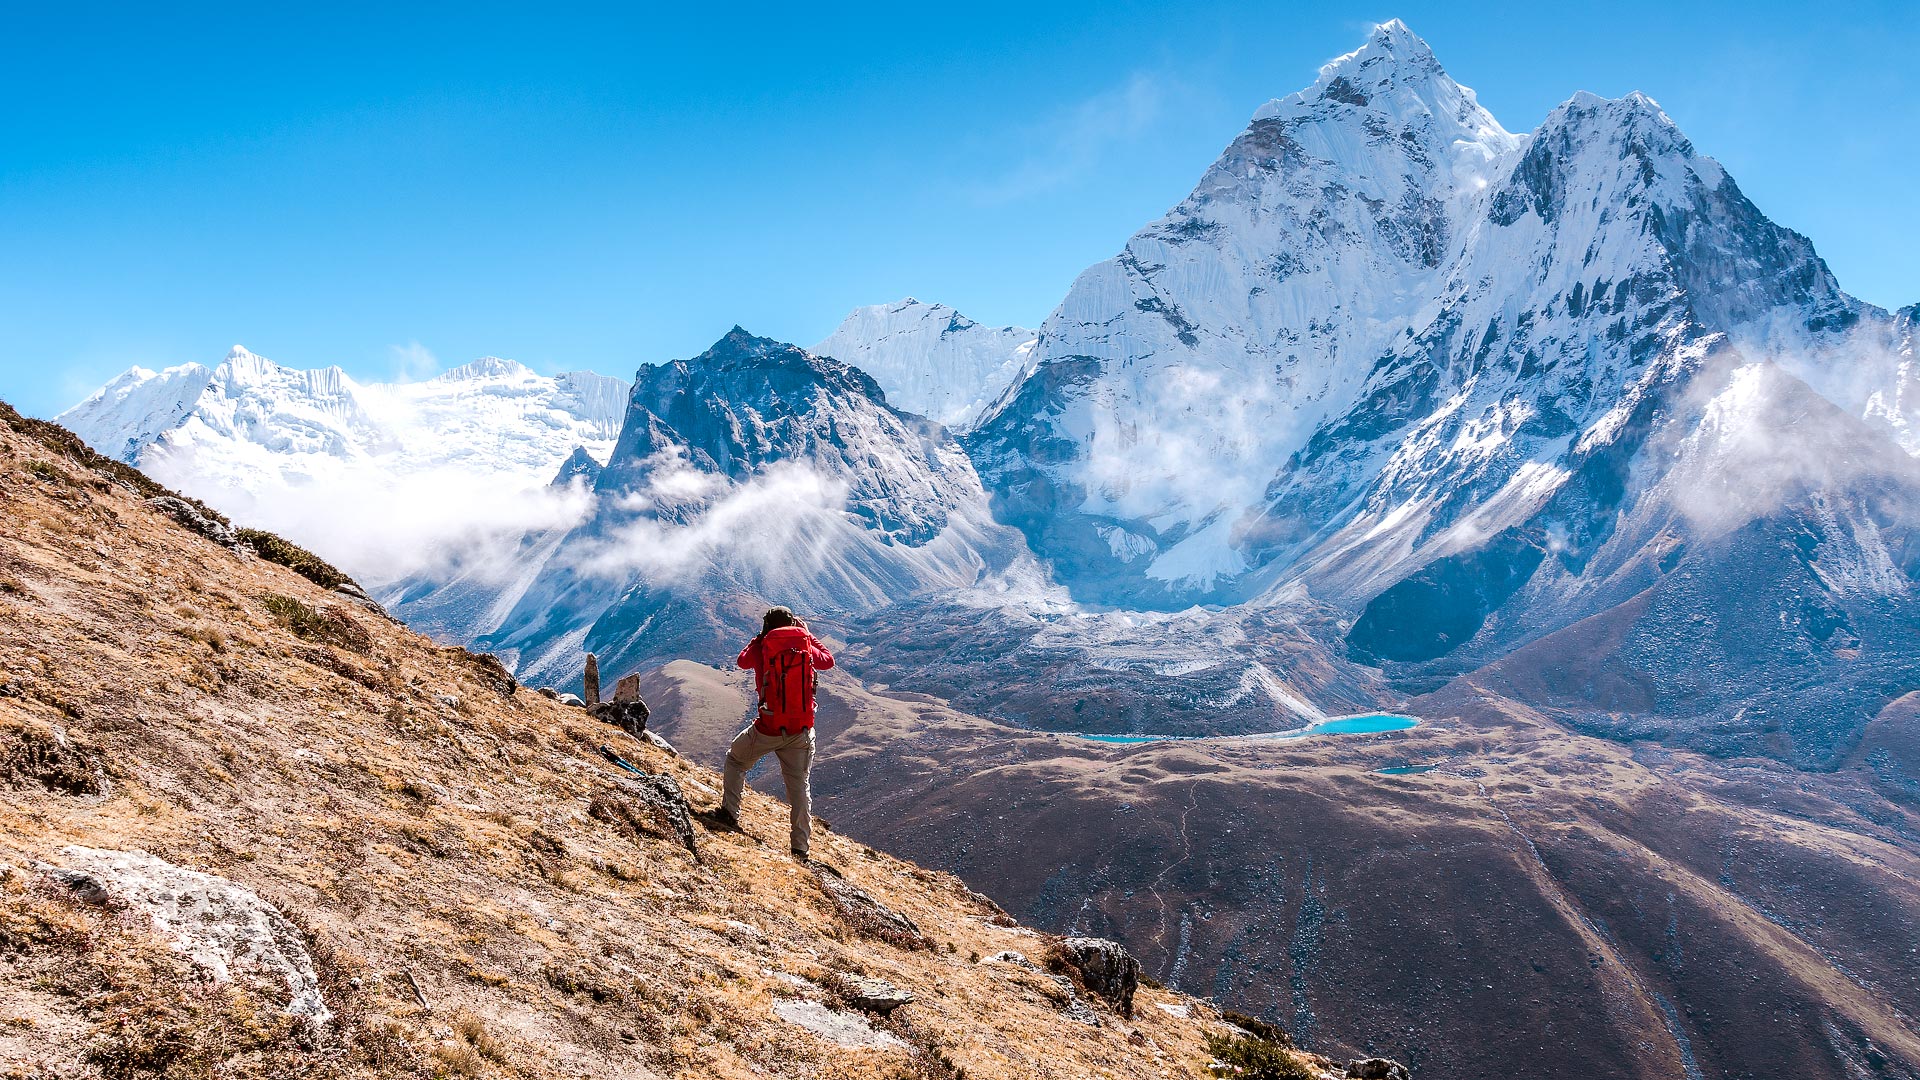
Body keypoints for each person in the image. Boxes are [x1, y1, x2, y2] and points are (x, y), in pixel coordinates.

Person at [707, 606, 834, 859]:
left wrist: (760, 637)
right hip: (801, 730)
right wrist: (807, 634)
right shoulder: (805, 644)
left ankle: (729, 814)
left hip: (768, 727)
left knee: (735, 759)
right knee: (799, 787)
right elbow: (828, 660)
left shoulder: (764, 646)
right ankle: (800, 848)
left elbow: (742, 661)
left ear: (767, 625)